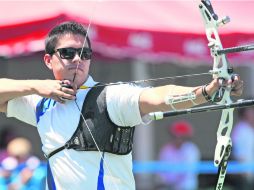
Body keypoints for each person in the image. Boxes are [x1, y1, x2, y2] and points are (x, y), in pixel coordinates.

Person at [0, 21, 243, 190]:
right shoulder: (41, 104)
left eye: (85, 53)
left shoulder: (110, 97)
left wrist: (206, 92)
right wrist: (36, 86)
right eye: (68, 53)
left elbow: (157, 97)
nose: (78, 59)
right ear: (48, 59)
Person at [158, 121, 200, 190]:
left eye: (180, 136)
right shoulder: (166, 149)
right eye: (174, 136)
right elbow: (161, 169)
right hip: (168, 186)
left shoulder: (191, 149)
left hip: (186, 186)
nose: (177, 139)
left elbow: (189, 171)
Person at [232, 107, 254, 190]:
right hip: (244, 172)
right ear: (245, 114)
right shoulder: (240, 129)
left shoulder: (250, 129)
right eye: (251, 112)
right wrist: (244, 171)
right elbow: (238, 153)